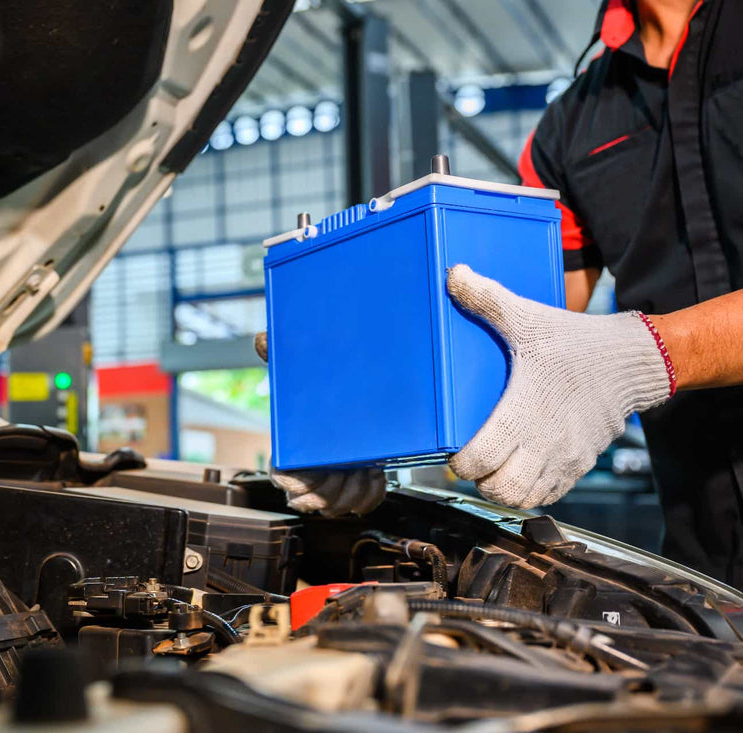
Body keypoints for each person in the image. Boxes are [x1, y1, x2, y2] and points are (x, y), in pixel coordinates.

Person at [265, 0, 743, 588]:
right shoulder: (571, 125)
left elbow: (602, 355)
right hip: (704, 558)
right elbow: (526, 326)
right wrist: (365, 406)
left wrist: (647, 354)